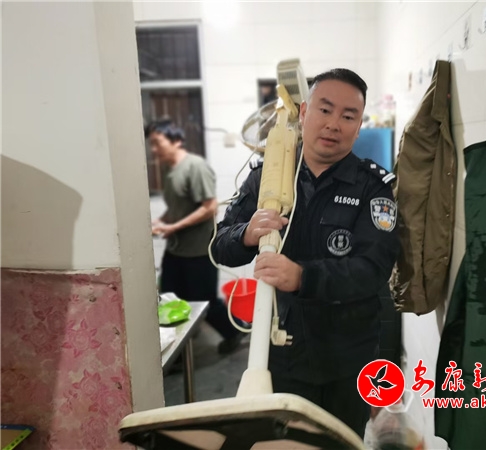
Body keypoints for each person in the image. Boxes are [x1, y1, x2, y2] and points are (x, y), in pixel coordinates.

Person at [211, 69, 401, 438]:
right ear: (303, 112)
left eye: (348, 116)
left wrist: (302, 276)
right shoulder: (267, 177)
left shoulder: (373, 188)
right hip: (281, 353)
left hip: (347, 359)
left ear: (358, 127)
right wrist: (246, 234)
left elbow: (373, 270)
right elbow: (220, 246)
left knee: (341, 442)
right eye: (325, 110)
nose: (334, 124)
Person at [146, 119, 243, 354]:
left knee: (205, 301)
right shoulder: (170, 170)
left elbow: (209, 207)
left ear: (176, 140)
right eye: (151, 144)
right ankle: (175, 350)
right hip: (176, 250)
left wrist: (173, 227)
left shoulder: (195, 167)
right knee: (169, 299)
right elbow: (177, 207)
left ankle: (235, 331)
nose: (153, 149)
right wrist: (161, 222)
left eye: (157, 142)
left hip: (199, 251)